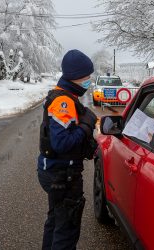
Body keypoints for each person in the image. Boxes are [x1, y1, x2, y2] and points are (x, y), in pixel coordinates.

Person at [37, 49, 97, 250]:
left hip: (56, 173)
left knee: (55, 222)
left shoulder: (65, 95)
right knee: (66, 230)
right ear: (75, 77)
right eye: (87, 76)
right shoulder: (64, 101)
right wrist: (86, 125)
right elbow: (61, 143)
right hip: (62, 175)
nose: (89, 80)